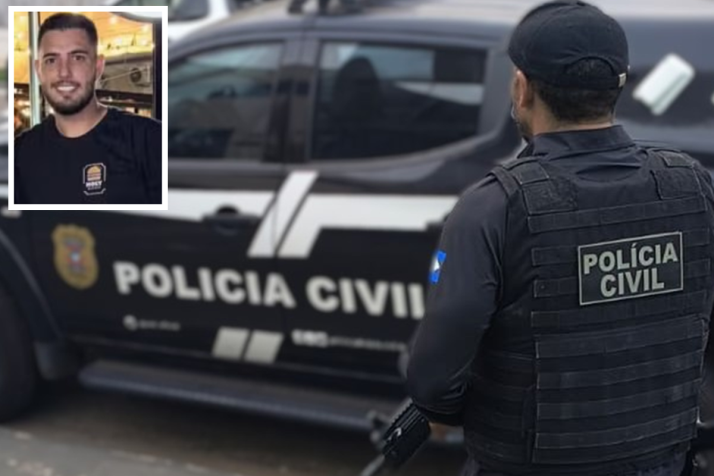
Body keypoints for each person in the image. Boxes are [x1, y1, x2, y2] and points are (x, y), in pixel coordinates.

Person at [405, 1, 714, 476]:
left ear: (522, 87)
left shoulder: (492, 208)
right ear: (618, 86)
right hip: (663, 462)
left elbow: (434, 381)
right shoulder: (692, 186)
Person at [14, 13, 161, 205]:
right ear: (39, 70)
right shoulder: (20, 154)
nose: (64, 72)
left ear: (98, 67)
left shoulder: (149, 141)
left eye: (77, 58)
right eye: (51, 60)